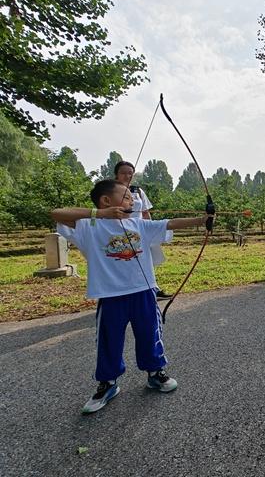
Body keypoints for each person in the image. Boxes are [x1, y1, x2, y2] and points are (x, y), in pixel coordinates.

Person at [51, 179, 212, 413]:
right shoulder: (89, 226)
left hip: (143, 293)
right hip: (110, 295)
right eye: (126, 196)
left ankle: (155, 373)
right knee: (109, 341)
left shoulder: (139, 225)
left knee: (150, 334)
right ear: (107, 200)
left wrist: (202, 220)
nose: (132, 200)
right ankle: (108, 383)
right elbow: (55, 213)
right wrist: (101, 213)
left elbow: (169, 223)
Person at [114, 160, 172, 300]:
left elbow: (145, 212)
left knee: (147, 260)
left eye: (130, 173)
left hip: (140, 231)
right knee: (125, 261)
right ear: (116, 175)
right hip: (119, 232)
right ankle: (122, 291)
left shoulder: (137, 191)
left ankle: (153, 289)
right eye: (123, 173)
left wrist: (153, 230)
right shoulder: (111, 191)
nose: (127, 176)